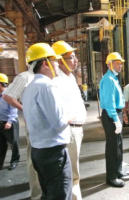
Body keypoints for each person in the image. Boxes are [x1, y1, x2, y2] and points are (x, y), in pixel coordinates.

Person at [21, 43, 74, 200]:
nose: (57, 64)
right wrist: (71, 116)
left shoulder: (30, 87)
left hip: (39, 151)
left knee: (48, 194)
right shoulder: (46, 86)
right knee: (60, 195)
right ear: (45, 63)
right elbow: (59, 123)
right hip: (53, 153)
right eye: (55, 61)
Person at [2, 53, 40, 199]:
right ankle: (36, 193)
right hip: (33, 125)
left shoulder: (44, 78)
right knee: (34, 158)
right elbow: (8, 96)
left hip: (46, 126)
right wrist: (24, 108)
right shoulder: (25, 77)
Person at [52, 40, 87, 200]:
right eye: (71, 57)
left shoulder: (70, 77)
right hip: (69, 130)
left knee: (75, 170)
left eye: (75, 57)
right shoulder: (56, 80)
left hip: (77, 129)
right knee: (71, 172)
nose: (76, 60)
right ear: (60, 61)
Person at [99, 52, 128, 187]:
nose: (120, 65)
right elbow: (109, 102)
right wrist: (115, 119)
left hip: (117, 114)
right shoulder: (108, 79)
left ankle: (118, 170)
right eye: (117, 63)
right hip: (111, 115)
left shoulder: (114, 78)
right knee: (112, 146)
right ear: (110, 64)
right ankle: (111, 177)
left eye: (120, 63)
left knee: (119, 144)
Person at [0, 73, 19, 171]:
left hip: (9, 123)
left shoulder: (9, 94)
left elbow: (14, 109)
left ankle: (14, 161)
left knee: (13, 143)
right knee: (1, 145)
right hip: (0, 122)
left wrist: (9, 122)